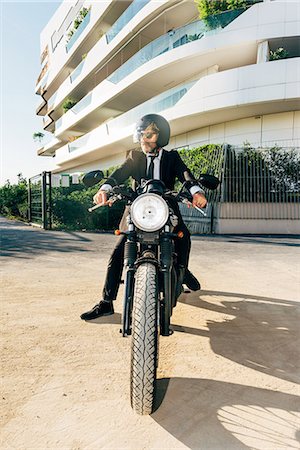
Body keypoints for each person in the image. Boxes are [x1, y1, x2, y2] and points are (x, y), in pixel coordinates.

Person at [81, 114, 207, 320]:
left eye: (149, 134)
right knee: (118, 250)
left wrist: (196, 192)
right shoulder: (135, 156)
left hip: (166, 208)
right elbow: (119, 173)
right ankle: (106, 302)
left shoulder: (172, 157)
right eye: (141, 134)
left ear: (161, 136)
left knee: (184, 238)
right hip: (137, 209)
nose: (144, 139)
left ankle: (182, 272)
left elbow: (186, 175)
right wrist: (105, 189)